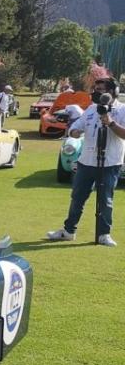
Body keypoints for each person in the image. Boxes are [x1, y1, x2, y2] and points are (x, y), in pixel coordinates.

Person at [46, 76, 125, 247]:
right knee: (77, 197)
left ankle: (104, 234)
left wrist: (111, 123)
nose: (96, 93)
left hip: (110, 163)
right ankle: (68, 232)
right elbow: (77, 126)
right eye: (95, 90)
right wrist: (74, 132)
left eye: (101, 90)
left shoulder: (122, 110)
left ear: (113, 92)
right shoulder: (91, 109)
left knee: (106, 200)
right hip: (86, 161)